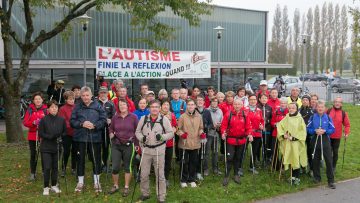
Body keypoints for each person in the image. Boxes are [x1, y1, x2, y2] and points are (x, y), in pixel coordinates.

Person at [135, 100, 174, 202]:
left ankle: (161, 196)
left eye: (156, 107)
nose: (154, 109)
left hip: (159, 151)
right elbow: (137, 132)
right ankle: (145, 193)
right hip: (146, 150)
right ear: (149, 108)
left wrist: (162, 136)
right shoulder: (143, 119)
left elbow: (171, 133)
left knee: (160, 175)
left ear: (159, 108)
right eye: (152, 107)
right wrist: (142, 138)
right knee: (144, 175)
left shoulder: (164, 119)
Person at [70, 86, 107, 193]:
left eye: (87, 95)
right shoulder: (77, 107)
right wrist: (82, 124)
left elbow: (103, 120)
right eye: (83, 95)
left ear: (91, 95)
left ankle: (97, 182)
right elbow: (72, 121)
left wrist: (95, 125)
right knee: (80, 160)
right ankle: (80, 181)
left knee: (96, 160)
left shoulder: (98, 106)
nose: (85, 97)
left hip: (95, 138)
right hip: (80, 138)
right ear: (80, 96)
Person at [108, 99, 138, 197]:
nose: (122, 106)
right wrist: (111, 133)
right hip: (116, 144)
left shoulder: (133, 117)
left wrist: (137, 144)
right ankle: (115, 185)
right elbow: (111, 128)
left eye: (124, 104)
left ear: (128, 106)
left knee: (127, 166)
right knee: (115, 166)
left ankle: (126, 187)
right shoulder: (115, 117)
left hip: (129, 145)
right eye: (120, 105)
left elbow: (137, 131)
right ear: (118, 107)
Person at [220, 98, 252, 186]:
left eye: (239, 104)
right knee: (230, 158)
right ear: (233, 105)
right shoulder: (228, 114)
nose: (237, 106)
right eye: (235, 104)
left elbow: (248, 127)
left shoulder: (245, 115)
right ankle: (226, 175)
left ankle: (236, 174)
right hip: (230, 140)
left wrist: (249, 134)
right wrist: (223, 133)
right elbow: (223, 126)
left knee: (238, 158)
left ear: (242, 105)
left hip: (241, 140)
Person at [38, 100, 66, 195]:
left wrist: (60, 136)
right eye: (52, 107)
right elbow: (41, 133)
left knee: (55, 167)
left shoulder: (61, 120)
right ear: (48, 109)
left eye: (56, 107)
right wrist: (51, 136)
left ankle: (54, 185)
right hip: (46, 147)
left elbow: (64, 132)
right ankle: (46, 186)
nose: (54, 109)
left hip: (57, 147)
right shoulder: (44, 120)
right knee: (47, 167)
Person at [307, 100, 336, 189]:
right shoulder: (312, 117)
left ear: (324, 108)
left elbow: (333, 129)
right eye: (318, 107)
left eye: (322, 107)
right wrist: (314, 131)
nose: (320, 108)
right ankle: (317, 178)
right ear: (316, 108)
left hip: (325, 139)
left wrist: (325, 131)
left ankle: (330, 181)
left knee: (328, 160)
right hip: (315, 138)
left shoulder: (328, 117)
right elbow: (308, 128)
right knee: (315, 160)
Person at [277, 102, 307, 185]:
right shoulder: (286, 117)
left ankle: (296, 177)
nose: (291, 110)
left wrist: (294, 138)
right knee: (290, 157)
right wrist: (283, 135)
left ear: (296, 109)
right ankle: (292, 176)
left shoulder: (299, 118)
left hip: (295, 143)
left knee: (295, 158)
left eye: (293, 108)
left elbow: (302, 130)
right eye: (289, 108)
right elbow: (280, 126)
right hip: (287, 142)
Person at [177, 99, 205, 188]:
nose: (190, 106)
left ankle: (192, 179)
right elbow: (178, 129)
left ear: (195, 106)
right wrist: (182, 134)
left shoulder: (199, 116)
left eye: (192, 104)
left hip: (195, 143)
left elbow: (201, 128)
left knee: (193, 162)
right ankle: (183, 179)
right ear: (187, 106)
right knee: (184, 162)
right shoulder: (182, 117)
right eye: (189, 104)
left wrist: (201, 133)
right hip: (185, 143)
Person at [23, 92, 48, 181]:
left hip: (43, 136)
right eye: (36, 99)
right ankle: (33, 173)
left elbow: (50, 122)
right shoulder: (30, 110)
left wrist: (43, 123)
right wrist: (33, 123)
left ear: (42, 100)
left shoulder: (46, 110)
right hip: (33, 136)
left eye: (39, 99)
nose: (38, 100)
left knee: (44, 154)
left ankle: (45, 172)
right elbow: (25, 122)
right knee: (33, 154)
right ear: (33, 101)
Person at [327, 97, 351, 172]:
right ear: (333, 103)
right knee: (328, 152)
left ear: (341, 104)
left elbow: (347, 125)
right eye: (336, 102)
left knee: (335, 152)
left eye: (339, 102)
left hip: (337, 136)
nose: (337, 103)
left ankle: (333, 166)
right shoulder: (328, 111)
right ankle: (329, 166)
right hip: (328, 135)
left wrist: (346, 132)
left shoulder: (343, 113)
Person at [159, 99, 177, 187]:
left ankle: (166, 178)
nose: (166, 106)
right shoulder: (157, 115)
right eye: (164, 104)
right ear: (161, 106)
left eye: (167, 105)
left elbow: (175, 125)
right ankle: (159, 178)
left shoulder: (172, 115)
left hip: (169, 142)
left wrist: (174, 129)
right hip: (159, 142)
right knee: (159, 161)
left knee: (168, 161)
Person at [97, 86, 116, 173]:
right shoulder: (95, 103)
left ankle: (105, 164)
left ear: (107, 94)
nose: (103, 94)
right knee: (97, 146)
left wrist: (111, 120)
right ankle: (98, 163)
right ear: (99, 94)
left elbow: (114, 116)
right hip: (97, 128)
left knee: (105, 146)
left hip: (107, 128)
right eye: (101, 92)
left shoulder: (111, 103)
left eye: (105, 92)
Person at [58, 91, 77, 176]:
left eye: (73, 99)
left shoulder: (77, 107)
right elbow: (63, 121)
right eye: (70, 99)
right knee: (66, 151)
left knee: (75, 151)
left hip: (76, 133)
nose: (72, 100)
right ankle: (63, 168)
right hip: (67, 133)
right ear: (66, 99)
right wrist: (73, 124)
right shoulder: (62, 109)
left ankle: (74, 168)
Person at [195, 95, 213, 179]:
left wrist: (207, 127)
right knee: (196, 153)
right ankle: (196, 169)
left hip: (205, 135)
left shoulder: (207, 112)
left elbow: (211, 123)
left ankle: (205, 168)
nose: (199, 102)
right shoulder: (194, 111)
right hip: (195, 136)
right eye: (198, 100)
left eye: (201, 100)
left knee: (205, 152)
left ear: (204, 102)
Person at [245, 94, 264, 174]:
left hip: (257, 133)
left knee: (255, 150)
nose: (253, 101)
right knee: (243, 150)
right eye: (251, 99)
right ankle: (239, 167)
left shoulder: (259, 110)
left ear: (256, 101)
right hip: (246, 133)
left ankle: (252, 166)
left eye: (254, 99)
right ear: (248, 101)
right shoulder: (244, 109)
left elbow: (262, 120)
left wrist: (262, 125)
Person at [270, 97, 289, 170]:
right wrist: (275, 124)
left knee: (284, 150)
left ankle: (283, 165)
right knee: (274, 150)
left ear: (287, 104)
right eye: (281, 103)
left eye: (284, 103)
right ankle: (275, 165)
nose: (283, 104)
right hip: (276, 133)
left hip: (285, 134)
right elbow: (272, 122)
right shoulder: (276, 111)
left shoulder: (288, 112)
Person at [207, 98, 223, 175]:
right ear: (210, 102)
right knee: (206, 152)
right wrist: (211, 125)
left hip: (216, 133)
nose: (214, 103)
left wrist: (219, 125)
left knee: (215, 152)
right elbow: (204, 122)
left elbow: (222, 121)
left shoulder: (220, 111)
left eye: (216, 101)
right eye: (213, 101)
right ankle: (205, 168)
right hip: (208, 134)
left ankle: (215, 168)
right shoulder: (206, 110)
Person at [299, 95, 314, 174]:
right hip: (300, 134)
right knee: (301, 150)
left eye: (306, 100)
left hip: (309, 134)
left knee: (310, 151)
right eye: (303, 100)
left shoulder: (312, 111)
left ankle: (311, 168)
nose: (305, 101)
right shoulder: (298, 110)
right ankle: (302, 167)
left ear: (309, 102)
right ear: (301, 101)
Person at [170, 88, 186, 162]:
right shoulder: (170, 103)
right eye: (174, 93)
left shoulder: (183, 103)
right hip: (173, 124)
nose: (176, 95)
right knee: (175, 141)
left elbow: (186, 113)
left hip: (182, 124)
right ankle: (176, 156)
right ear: (172, 95)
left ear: (179, 94)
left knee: (181, 140)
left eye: (177, 93)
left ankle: (182, 156)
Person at [257, 93, 273, 163]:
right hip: (259, 129)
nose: (264, 99)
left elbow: (271, 118)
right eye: (262, 98)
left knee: (266, 143)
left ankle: (267, 157)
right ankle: (257, 158)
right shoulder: (257, 107)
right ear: (259, 99)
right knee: (258, 144)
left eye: (265, 98)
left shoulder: (269, 107)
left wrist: (266, 121)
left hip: (267, 129)